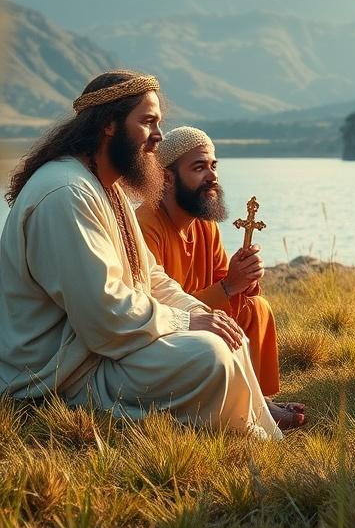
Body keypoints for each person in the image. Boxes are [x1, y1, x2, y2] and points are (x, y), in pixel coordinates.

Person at [0, 71, 282, 438]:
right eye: (147, 122)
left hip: (97, 350)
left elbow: (149, 278)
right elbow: (102, 313)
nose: (158, 136)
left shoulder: (106, 188)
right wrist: (185, 323)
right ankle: (237, 439)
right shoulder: (65, 194)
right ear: (108, 126)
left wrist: (201, 313)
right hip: (58, 374)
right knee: (209, 358)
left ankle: (253, 434)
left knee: (227, 336)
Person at [136, 126, 304, 430]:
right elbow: (155, 304)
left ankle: (260, 400)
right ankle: (251, 407)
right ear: (167, 177)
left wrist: (246, 278)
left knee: (255, 307)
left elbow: (227, 290)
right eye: (199, 167)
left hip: (205, 316)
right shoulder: (146, 225)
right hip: (169, 330)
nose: (212, 176)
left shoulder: (205, 224)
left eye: (213, 166)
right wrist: (229, 286)